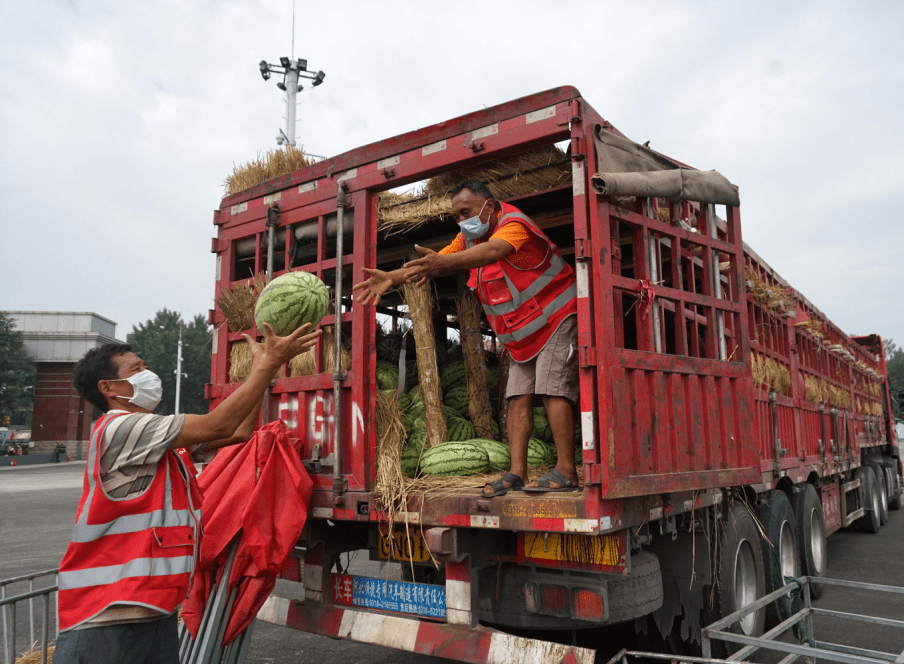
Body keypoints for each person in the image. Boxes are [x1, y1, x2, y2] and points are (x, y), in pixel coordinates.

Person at [53, 323, 318, 664]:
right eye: (137, 369)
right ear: (109, 387)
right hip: (105, 618)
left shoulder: (158, 445)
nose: (148, 374)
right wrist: (267, 364)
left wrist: (261, 371)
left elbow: (237, 431)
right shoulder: (119, 428)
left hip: (152, 611)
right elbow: (218, 424)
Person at [354, 180, 579, 496]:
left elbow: (495, 251)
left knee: (551, 389)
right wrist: (392, 277)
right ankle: (516, 472)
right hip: (524, 333)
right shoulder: (470, 238)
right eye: (456, 216)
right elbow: (434, 263)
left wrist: (441, 263)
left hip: (557, 316)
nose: (461, 222)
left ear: (489, 206)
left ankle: (567, 470)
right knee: (516, 397)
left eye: (466, 212)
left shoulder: (514, 224)